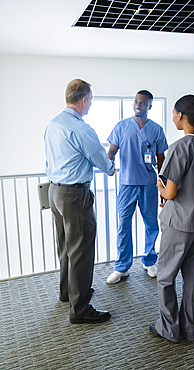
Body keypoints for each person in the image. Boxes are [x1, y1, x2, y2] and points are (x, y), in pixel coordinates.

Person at [44, 79, 115, 324]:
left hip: (55, 191)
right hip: (74, 195)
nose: (90, 106)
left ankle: (68, 293)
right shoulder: (82, 129)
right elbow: (100, 159)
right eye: (91, 101)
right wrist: (111, 168)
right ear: (84, 100)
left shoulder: (53, 124)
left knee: (65, 246)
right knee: (81, 249)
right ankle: (81, 309)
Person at [149, 94, 194, 343]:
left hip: (179, 223)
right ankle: (190, 329)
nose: (173, 118)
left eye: (174, 113)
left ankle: (169, 329)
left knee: (166, 276)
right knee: (193, 277)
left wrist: (159, 186)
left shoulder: (180, 147)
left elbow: (170, 192)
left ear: (181, 115)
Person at [107, 90, 168, 284]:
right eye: (136, 102)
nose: (138, 105)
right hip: (126, 184)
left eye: (142, 103)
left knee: (151, 224)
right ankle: (121, 267)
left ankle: (149, 261)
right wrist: (108, 167)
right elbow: (111, 153)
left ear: (149, 106)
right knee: (123, 225)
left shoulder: (156, 129)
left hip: (149, 184)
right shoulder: (121, 127)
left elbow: (162, 161)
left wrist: (163, 186)